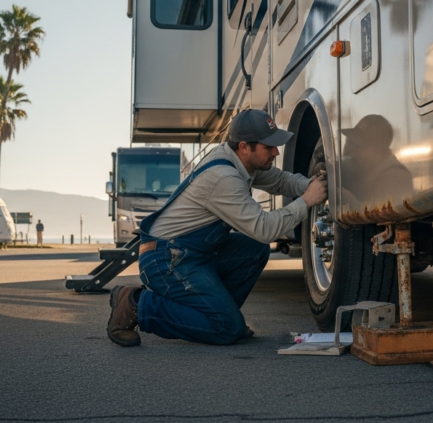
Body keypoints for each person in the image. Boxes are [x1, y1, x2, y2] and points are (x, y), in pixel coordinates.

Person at [107, 110, 327, 347]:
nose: (276, 152)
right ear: (244, 147)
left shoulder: (237, 160)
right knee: (227, 328)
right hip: (166, 260)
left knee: (255, 250)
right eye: (269, 146)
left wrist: (315, 186)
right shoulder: (224, 178)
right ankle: (136, 304)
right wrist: (306, 201)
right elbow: (265, 228)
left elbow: (281, 181)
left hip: (192, 253)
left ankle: (217, 315)